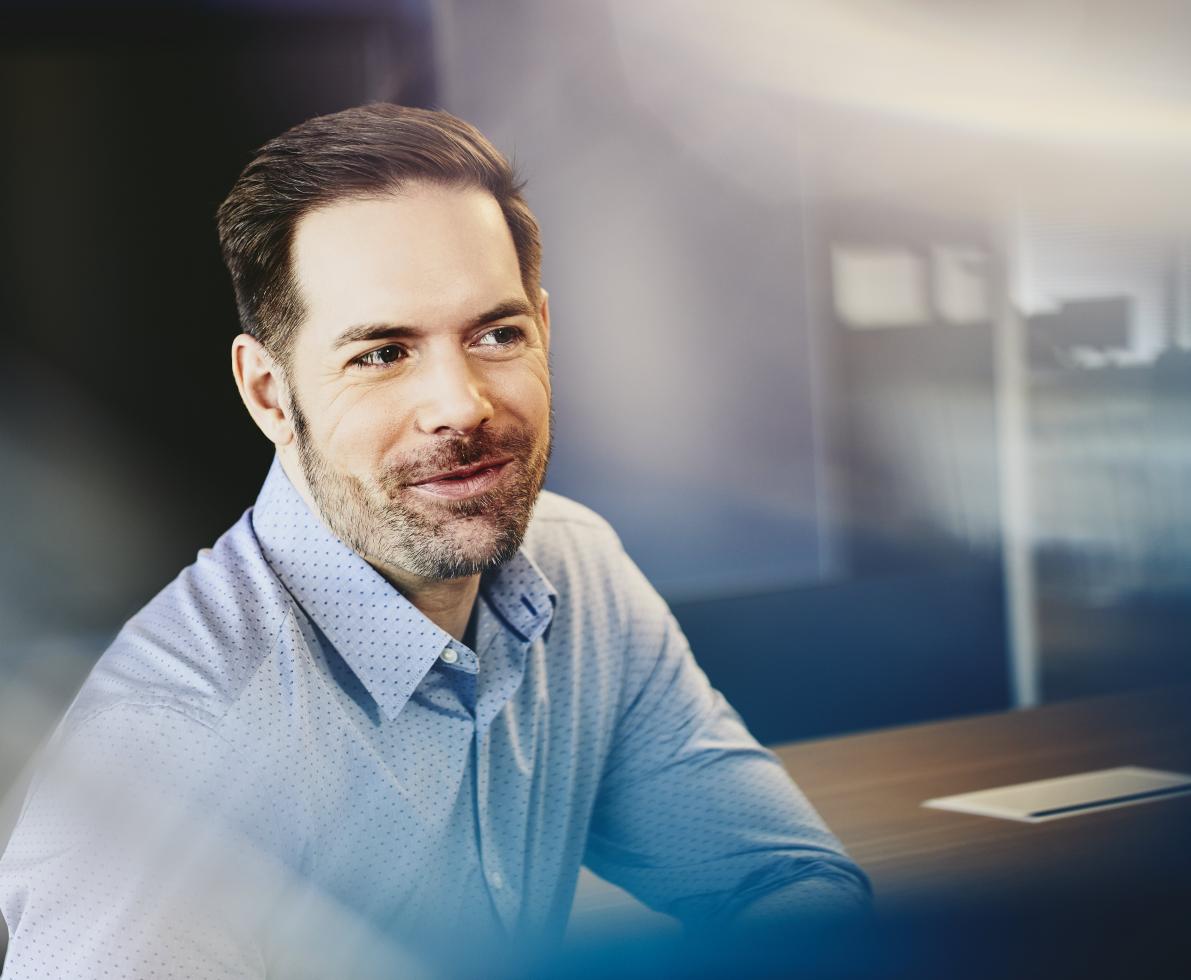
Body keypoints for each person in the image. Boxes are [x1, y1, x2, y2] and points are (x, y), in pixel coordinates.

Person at [0, 104, 870, 977]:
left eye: (497, 335)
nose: (461, 404)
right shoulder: (169, 747)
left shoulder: (578, 572)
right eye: (381, 353)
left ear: (544, 331)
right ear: (269, 394)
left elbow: (783, 881)